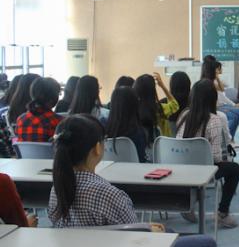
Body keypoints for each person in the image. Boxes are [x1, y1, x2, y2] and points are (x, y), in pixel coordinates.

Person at [48, 114, 214, 247]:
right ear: (98, 148)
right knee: (206, 242)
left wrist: (147, 229)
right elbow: (136, 239)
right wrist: (147, 231)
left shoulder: (56, 189)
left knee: (167, 230)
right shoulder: (108, 194)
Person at [176, 80, 239, 228]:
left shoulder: (184, 115)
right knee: (235, 169)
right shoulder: (214, 120)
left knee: (199, 165)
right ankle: (223, 213)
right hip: (203, 171)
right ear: (213, 98)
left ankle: (189, 203)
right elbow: (216, 157)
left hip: (181, 169)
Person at [202, 61, 239, 146]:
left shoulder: (215, 80)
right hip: (216, 108)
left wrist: (217, 77)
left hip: (220, 105)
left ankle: (231, 138)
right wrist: (232, 105)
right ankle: (228, 140)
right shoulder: (210, 82)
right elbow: (221, 91)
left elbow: (222, 90)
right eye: (218, 69)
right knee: (234, 116)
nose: (219, 70)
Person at [106, 87, 147, 162]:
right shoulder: (138, 133)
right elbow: (141, 160)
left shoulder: (103, 130)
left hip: (109, 171)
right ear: (135, 105)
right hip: (136, 172)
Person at [134, 73, 179, 142]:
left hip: (143, 150)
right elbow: (175, 105)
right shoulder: (160, 109)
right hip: (164, 149)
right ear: (153, 90)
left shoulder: (134, 110)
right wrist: (162, 86)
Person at [15, 77, 62, 142]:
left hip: (26, 152)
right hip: (48, 152)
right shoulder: (58, 121)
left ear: (32, 94)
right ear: (53, 99)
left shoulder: (20, 119)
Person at [216, 62, 239, 143]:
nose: (221, 69)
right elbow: (222, 97)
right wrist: (234, 105)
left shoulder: (217, 80)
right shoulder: (214, 82)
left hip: (222, 104)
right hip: (219, 107)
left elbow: (225, 88)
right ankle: (230, 139)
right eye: (219, 68)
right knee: (236, 114)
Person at [159, 71, 191, 136]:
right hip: (189, 144)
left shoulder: (163, 103)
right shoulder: (193, 103)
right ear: (188, 85)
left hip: (166, 144)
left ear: (171, 85)